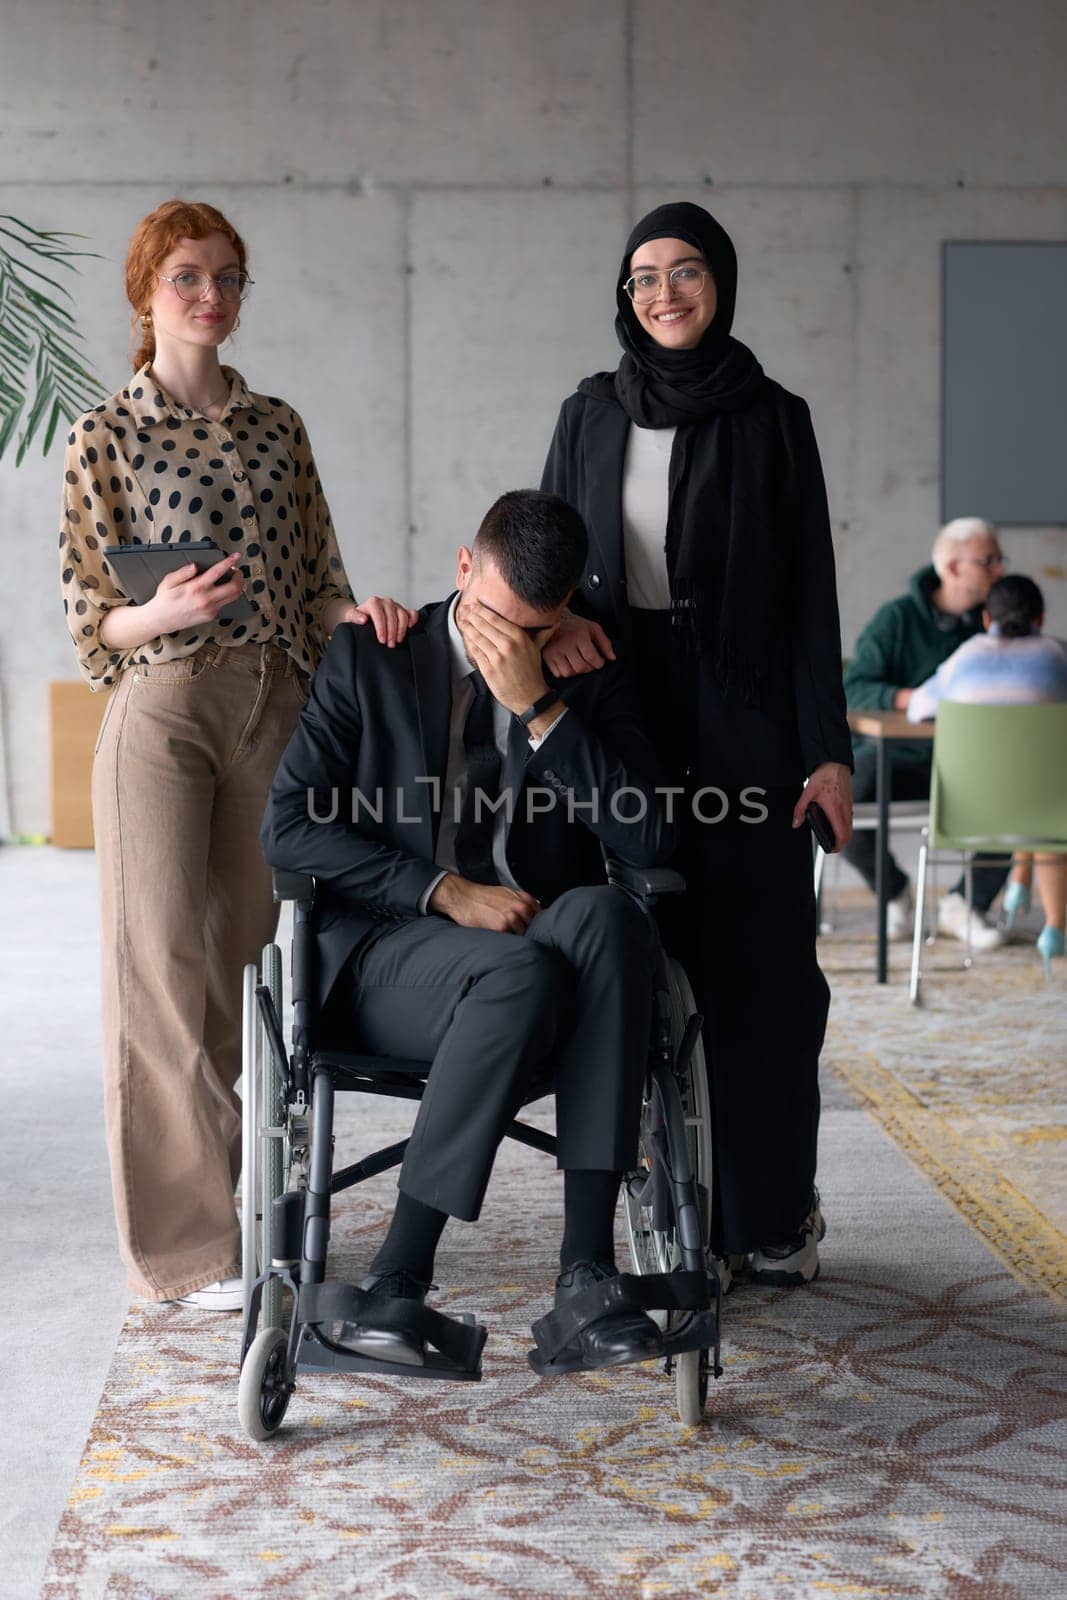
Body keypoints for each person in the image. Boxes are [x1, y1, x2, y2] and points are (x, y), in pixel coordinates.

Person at [59, 199, 416, 1311]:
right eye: (187, 278)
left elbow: (318, 577)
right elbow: (87, 617)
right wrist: (154, 610)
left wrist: (361, 619)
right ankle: (183, 1254)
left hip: (277, 703)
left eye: (228, 278)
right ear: (144, 294)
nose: (211, 296)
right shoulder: (103, 434)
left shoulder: (279, 427)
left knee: (254, 971)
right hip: (161, 707)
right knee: (158, 971)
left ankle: (257, 1204)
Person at [262, 489, 680, 1369]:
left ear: (564, 612)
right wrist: (443, 889)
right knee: (516, 973)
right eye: (490, 615)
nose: (502, 640)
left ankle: (586, 1275)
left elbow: (648, 833)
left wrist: (539, 706)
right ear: (462, 569)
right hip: (392, 953)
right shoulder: (372, 654)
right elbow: (288, 825)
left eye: (530, 627)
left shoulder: (581, 667)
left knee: (608, 914)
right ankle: (396, 1281)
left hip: (544, 948)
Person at [539, 201, 853, 1286]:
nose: (661, 292)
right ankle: (663, 1207)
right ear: (621, 295)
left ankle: (767, 1216)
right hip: (617, 702)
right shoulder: (588, 413)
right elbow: (547, 548)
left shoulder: (772, 417)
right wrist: (556, 618)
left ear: (718, 281)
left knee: (763, 972)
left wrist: (829, 751)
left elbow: (808, 591)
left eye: (682, 272)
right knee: (635, 961)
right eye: (640, 276)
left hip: (745, 715)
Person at [843, 516, 1009, 948]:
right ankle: (894, 891)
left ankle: (965, 905)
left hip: (966, 762)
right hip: (892, 759)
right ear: (953, 567)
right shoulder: (896, 619)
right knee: (841, 804)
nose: (999, 570)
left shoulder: (994, 624)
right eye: (989, 560)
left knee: (1020, 797)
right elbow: (854, 686)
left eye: (999, 559)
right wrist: (911, 698)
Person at [907, 574, 1067, 976]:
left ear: (985, 619)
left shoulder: (964, 657)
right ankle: (1053, 926)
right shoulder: (1057, 656)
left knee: (1033, 793)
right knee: (1048, 797)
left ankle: (1019, 880)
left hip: (967, 813)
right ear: (1041, 618)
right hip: (1046, 810)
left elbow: (919, 708)